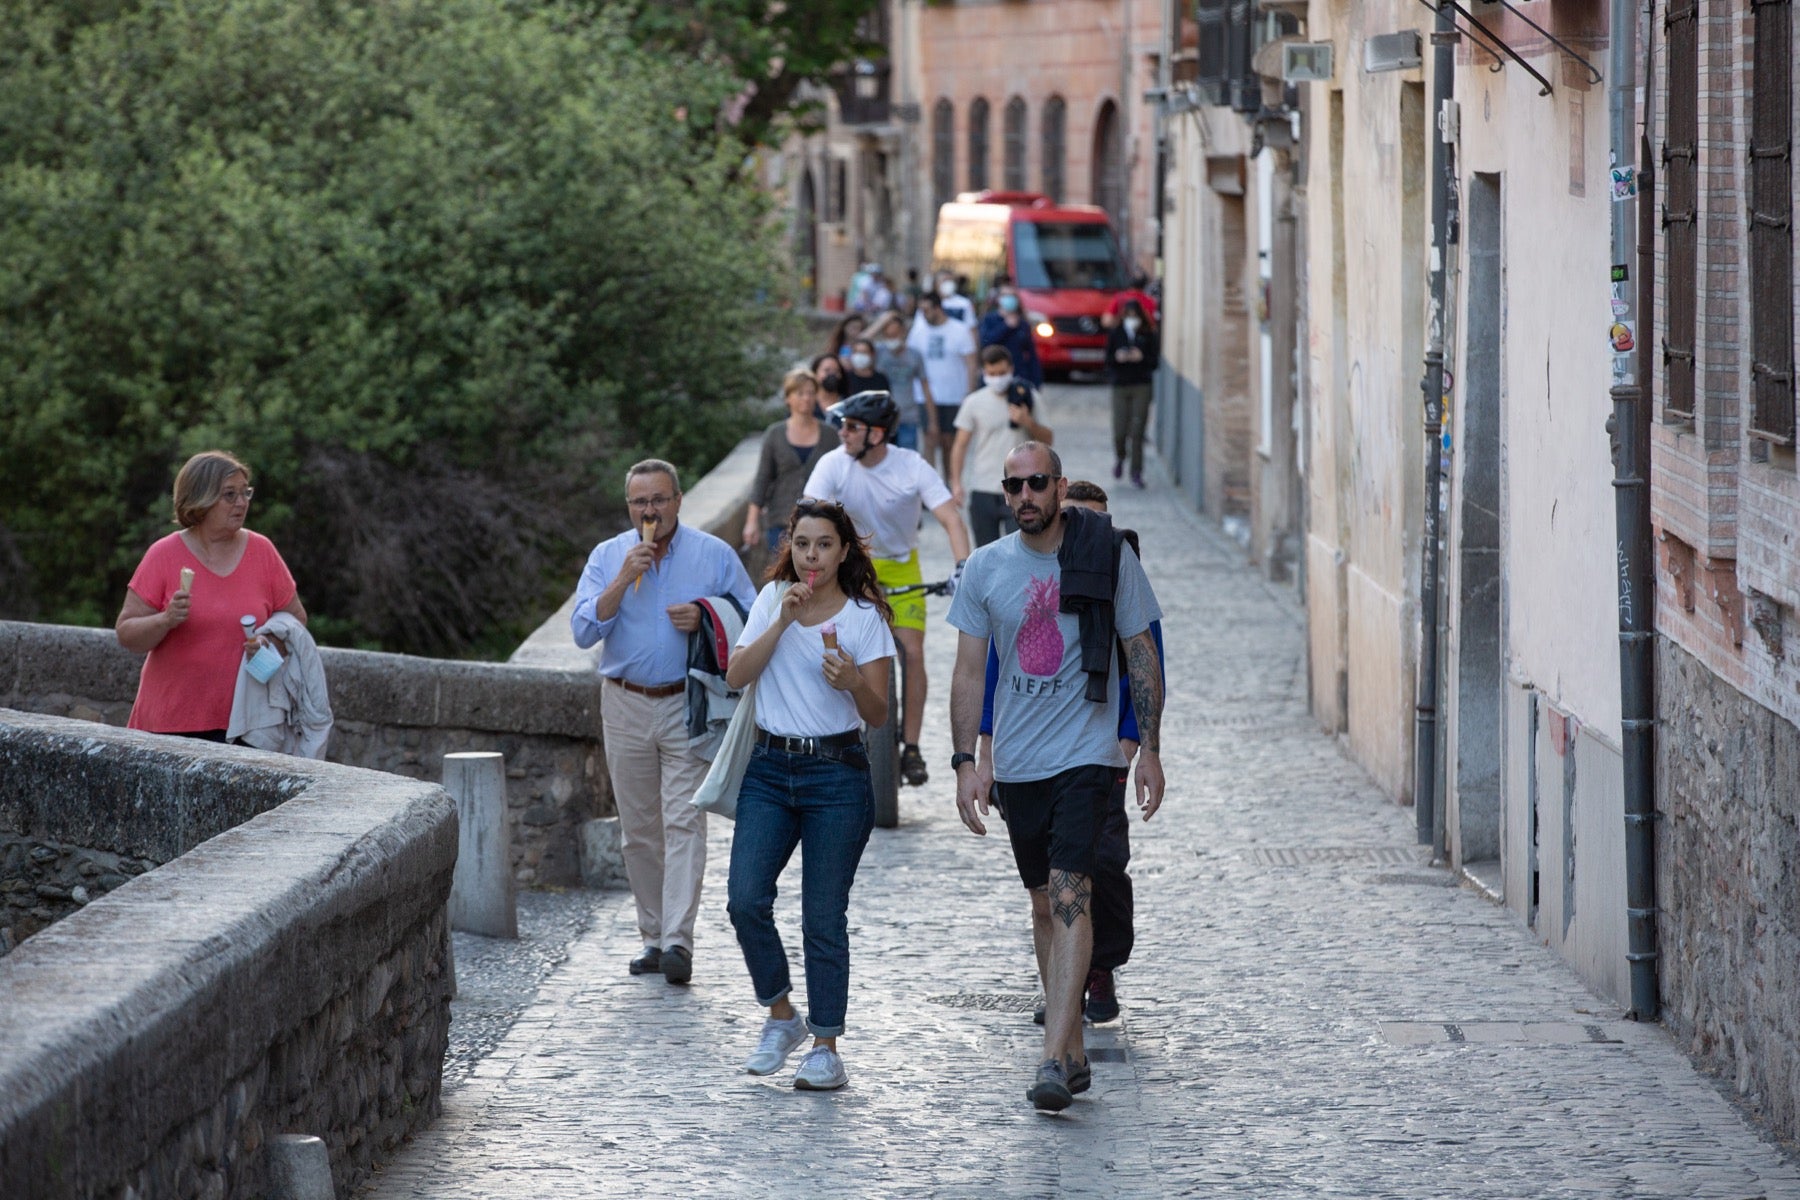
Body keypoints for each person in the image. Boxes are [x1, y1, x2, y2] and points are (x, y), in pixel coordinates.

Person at [947, 442, 1164, 1112]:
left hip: (1088, 755)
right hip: (1019, 764)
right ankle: (1069, 1047)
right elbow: (968, 672)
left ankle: (1049, 1059)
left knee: (1072, 893)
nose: (1025, 496)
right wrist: (966, 761)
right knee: (1043, 903)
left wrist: (1148, 745)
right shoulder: (984, 569)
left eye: (1037, 483)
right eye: (1013, 486)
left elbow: (1141, 651)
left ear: (1059, 486)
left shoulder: (1108, 556)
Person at [725, 498, 896, 1091]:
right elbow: (736, 674)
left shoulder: (864, 617)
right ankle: (782, 1017)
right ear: (789, 548)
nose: (811, 556)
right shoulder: (772, 600)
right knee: (744, 899)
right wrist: (780, 622)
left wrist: (852, 682)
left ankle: (826, 1044)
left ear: (843, 550)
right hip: (771, 769)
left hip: (837, 775)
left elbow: (879, 713)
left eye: (823, 544)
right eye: (801, 544)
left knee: (823, 915)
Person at [978, 479, 1164, 1026]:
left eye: (1093, 518)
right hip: (1030, 752)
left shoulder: (1116, 564)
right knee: (1049, 884)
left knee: (1100, 865)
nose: (1081, 528)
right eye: (1074, 515)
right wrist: (983, 754)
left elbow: (1147, 661)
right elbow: (995, 670)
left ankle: (1097, 969)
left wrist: (1136, 742)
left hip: (1100, 747)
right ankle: (1064, 990)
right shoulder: (1019, 572)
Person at [572, 460, 757, 985]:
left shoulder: (713, 554)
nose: (649, 510)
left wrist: (707, 614)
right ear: (628, 507)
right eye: (639, 502)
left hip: (687, 701)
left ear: (678, 500)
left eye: (658, 499)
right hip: (624, 702)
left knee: (683, 821)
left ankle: (678, 939)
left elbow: (751, 616)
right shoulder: (609, 556)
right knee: (639, 831)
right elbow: (584, 631)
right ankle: (651, 935)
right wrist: (622, 580)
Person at [805, 391, 972, 789]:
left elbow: (950, 518)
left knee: (912, 652)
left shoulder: (911, 466)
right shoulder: (834, 464)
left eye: (851, 427)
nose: (842, 433)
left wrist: (963, 568)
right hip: (853, 564)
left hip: (900, 564)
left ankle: (910, 746)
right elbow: (808, 513)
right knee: (836, 647)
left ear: (876, 435)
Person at [115, 450, 308, 741]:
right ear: (200, 500)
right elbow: (127, 634)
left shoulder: (262, 550)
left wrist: (270, 644)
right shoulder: (163, 554)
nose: (242, 503)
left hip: (247, 724)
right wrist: (165, 620)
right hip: (170, 724)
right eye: (229, 495)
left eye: (246, 493)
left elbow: (295, 619)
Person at [950, 346, 1055, 547]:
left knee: (1021, 547)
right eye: (992, 374)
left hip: (1019, 488)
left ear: (1011, 369)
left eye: (1002, 373)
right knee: (985, 552)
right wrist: (956, 483)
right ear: (984, 372)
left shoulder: (1028, 396)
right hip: (983, 487)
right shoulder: (974, 402)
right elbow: (960, 445)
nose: (998, 378)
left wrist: (1027, 421)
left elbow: (1048, 440)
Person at [745, 369, 841, 554]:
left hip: (820, 520)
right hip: (781, 520)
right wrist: (751, 522)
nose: (806, 398)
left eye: (811, 393)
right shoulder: (775, 434)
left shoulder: (830, 434)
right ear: (788, 398)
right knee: (783, 578)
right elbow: (762, 479)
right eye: (800, 393)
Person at [907, 293, 977, 481]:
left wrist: (969, 393)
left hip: (953, 396)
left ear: (938, 308)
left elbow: (971, 363)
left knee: (949, 443)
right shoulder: (918, 331)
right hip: (924, 395)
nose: (924, 314)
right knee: (929, 440)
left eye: (927, 310)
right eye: (921, 310)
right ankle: (929, 486)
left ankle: (949, 483)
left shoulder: (959, 330)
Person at [1105, 300, 1160, 488]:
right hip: (1120, 385)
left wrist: (1141, 357)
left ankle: (1136, 471)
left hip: (1141, 385)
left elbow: (1155, 362)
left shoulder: (1148, 335)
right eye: (1128, 315)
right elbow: (1107, 360)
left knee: (1137, 431)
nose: (1131, 319)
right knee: (1119, 430)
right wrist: (1118, 357)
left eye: (1134, 316)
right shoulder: (1116, 334)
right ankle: (1120, 457)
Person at [871, 311, 936, 452]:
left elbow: (926, 388)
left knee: (907, 463)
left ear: (903, 333)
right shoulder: (878, 352)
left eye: (895, 334)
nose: (892, 339)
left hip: (907, 417)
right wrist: (880, 322)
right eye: (888, 335)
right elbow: (858, 342)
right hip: (882, 418)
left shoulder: (914, 355)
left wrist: (932, 422)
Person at [977, 277, 1044, 388]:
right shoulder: (989, 319)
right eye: (1005, 295)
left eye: (1012, 295)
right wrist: (1006, 327)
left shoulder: (1023, 324)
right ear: (998, 298)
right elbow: (985, 342)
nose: (1009, 298)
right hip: (994, 377)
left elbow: (1031, 355)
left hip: (1018, 377)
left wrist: (1036, 381)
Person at [842, 337, 892, 402]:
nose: (859, 356)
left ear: (872, 355)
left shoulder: (881, 379)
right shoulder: (845, 379)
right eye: (856, 352)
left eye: (864, 352)